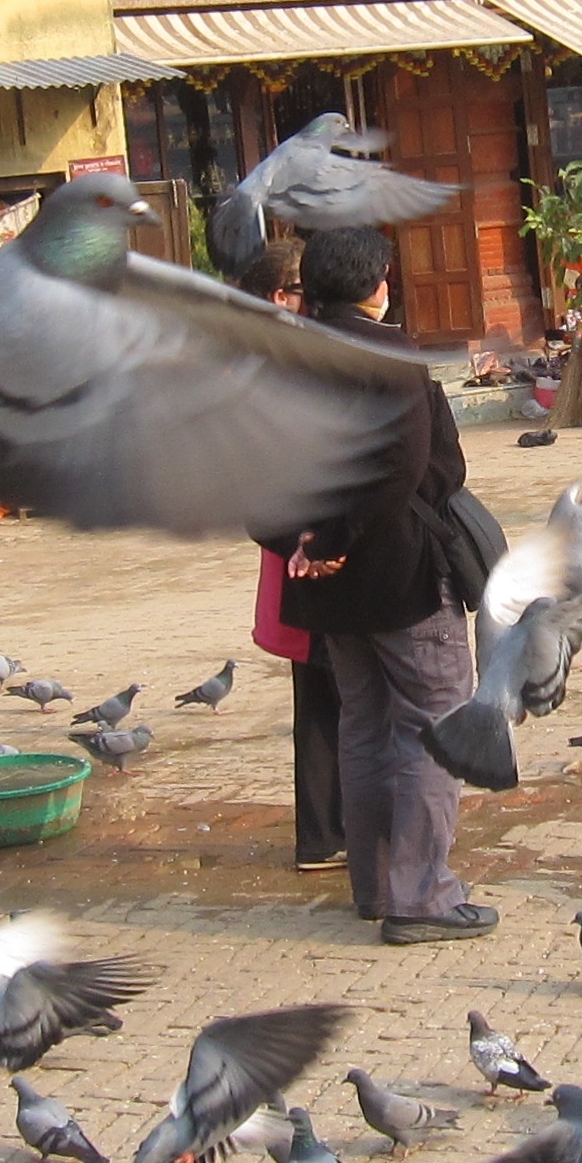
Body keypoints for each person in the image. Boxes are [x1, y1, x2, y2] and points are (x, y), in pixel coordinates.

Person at [277, 226, 488, 945]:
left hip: (328, 588)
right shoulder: (391, 356)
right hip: (399, 575)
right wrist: (333, 541)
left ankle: (375, 887)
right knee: (433, 726)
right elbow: (406, 469)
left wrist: (302, 544)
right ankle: (421, 898)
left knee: (363, 728)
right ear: (378, 283)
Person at [236, 240, 340, 878]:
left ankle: (325, 836)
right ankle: (328, 835)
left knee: (325, 696)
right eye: (309, 290)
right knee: (332, 696)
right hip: (308, 554)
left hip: (309, 550)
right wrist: (310, 547)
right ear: (282, 298)